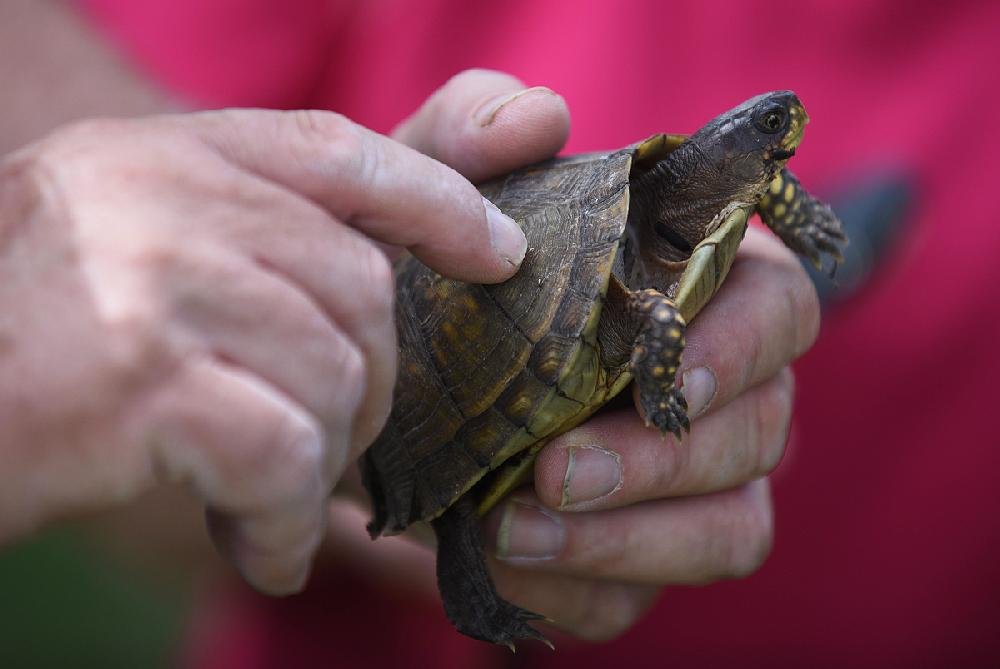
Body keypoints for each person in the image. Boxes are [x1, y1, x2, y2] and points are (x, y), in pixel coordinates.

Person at [7, 0, 1000, 666]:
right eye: (764, 134)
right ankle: (474, 588)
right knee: (471, 505)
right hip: (386, 545)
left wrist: (805, 227)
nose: (781, 133)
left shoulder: (727, 195)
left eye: (775, 133)